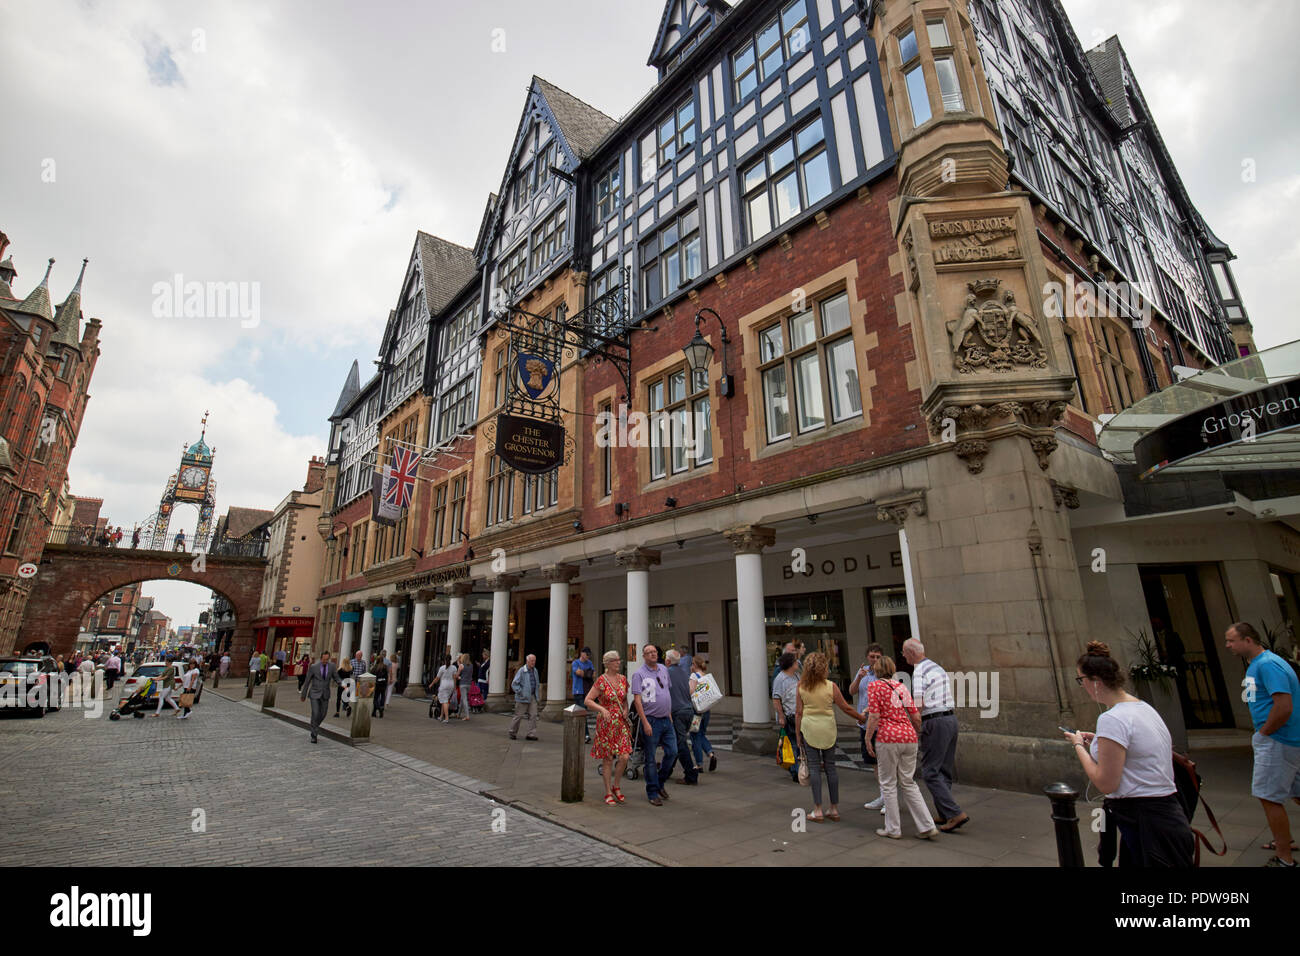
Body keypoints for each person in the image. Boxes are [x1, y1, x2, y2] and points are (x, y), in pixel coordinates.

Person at [1063, 641, 1193, 867]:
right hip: (1165, 814)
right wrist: (1100, 740)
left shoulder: (1112, 718)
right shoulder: (1142, 707)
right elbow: (1136, 750)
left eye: (1080, 679)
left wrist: (1078, 746)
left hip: (1145, 820)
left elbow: (1105, 783)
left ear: (1095, 682)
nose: (1081, 685)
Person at [1224, 622, 1300, 867]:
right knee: (1296, 792)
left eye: (1231, 640)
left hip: (1278, 739)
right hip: (1285, 739)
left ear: (1248, 640)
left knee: (1269, 796)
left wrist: (1265, 732)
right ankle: (1284, 841)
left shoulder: (1267, 665)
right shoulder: (1259, 665)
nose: (1228, 645)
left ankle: (1284, 858)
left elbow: (1284, 706)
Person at [865, 655, 938, 839]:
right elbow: (915, 715)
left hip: (888, 737)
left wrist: (868, 738)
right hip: (908, 736)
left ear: (876, 670)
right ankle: (927, 825)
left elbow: (874, 716)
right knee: (908, 782)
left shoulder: (874, 686)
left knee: (888, 783)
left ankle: (893, 828)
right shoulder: (901, 686)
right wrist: (917, 732)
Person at [903, 637, 969, 831]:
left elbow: (918, 703)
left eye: (904, 652)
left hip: (935, 722)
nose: (903, 656)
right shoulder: (936, 667)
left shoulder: (919, 671)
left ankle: (955, 813)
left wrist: (914, 725)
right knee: (944, 770)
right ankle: (945, 812)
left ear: (911, 653)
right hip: (950, 719)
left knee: (930, 772)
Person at [796, 651, 865, 823]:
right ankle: (834, 808)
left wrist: (798, 735)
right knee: (831, 767)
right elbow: (845, 707)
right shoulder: (830, 686)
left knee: (814, 768)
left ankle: (817, 809)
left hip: (809, 728)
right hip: (828, 728)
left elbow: (798, 712)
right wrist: (861, 717)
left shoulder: (801, 686)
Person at [631, 644, 676, 806]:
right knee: (650, 758)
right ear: (644, 656)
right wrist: (644, 722)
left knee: (672, 752)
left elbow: (666, 692)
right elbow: (637, 700)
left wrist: (669, 715)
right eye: (649, 653)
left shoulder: (664, 669)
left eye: (654, 652)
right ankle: (652, 791)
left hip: (666, 719)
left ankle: (660, 783)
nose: (652, 654)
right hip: (651, 720)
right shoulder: (639, 674)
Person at [585, 650, 632, 805]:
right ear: (608, 663)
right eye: (615, 660)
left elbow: (624, 699)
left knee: (624, 756)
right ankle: (607, 791)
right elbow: (588, 700)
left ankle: (616, 785)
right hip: (606, 723)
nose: (619, 663)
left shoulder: (623, 679)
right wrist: (602, 709)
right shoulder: (601, 681)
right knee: (608, 758)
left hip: (620, 721)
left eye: (619, 660)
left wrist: (625, 709)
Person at [664, 650, 699, 786]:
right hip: (688, 710)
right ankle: (666, 770)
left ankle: (690, 774)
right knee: (677, 741)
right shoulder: (685, 673)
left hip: (677, 712)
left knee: (679, 743)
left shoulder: (667, 673)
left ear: (668, 661)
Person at [850, 644, 884, 769]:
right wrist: (858, 678)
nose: (874, 659)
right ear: (867, 657)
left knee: (883, 757)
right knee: (872, 759)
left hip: (880, 723)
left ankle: (886, 783)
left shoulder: (885, 674)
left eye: (877, 657)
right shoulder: (863, 671)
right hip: (865, 722)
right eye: (872, 656)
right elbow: (851, 691)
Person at [771, 651, 801, 783]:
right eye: (795, 661)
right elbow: (776, 699)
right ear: (790, 664)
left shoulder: (796, 676)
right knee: (793, 743)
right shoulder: (780, 679)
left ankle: (799, 767)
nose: (798, 663)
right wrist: (781, 716)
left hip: (800, 714)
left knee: (799, 743)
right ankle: (795, 770)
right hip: (790, 715)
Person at [300, 652, 339, 743]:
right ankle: (314, 735)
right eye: (324, 659)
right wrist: (303, 695)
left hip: (325, 694)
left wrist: (343, 684)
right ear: (321, 658)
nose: (325, 661)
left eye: (327, 659)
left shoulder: (332, 666)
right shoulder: (314, 667)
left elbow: (336, 678)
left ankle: (314, 726)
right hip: (314, 693)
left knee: (323, 713)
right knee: (315, 712)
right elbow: (307, 681)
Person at [688, 655, 717, 773]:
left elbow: (691, 691)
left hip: (697, 711)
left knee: (694, 735)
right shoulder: (706, 676)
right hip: (707, 710)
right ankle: (710, 754)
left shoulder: (694, 676)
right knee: (701, 734)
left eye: (691, 664)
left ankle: (699, 764)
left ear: (694, 665)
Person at [509, 654, 541, 740]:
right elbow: (514, 684)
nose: (533, 662)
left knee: (533, 715)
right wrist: (521, 692)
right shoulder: (522, 671)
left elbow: (536, 683)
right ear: (527, 661)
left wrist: (537, 695)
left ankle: (531, 734)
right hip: (522, 698)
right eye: (532, 661)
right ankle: (512, 732)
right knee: (518, 716)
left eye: (534, 661)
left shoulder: (535, 671)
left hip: (532, 696)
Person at [572, 647, 595, 742]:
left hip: (587, 691)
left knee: (581, 713)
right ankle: (585, 735)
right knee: (582, 712)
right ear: (582, 653)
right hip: (578, 691)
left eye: (589, 655)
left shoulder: (589, 663)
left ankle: (578, 732)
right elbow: (578, 672)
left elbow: (593, 674)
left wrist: (584, 673)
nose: (588, 657)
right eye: (586, 654)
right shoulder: (576, 663)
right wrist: (587, 673)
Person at [434, 655, 457, 723]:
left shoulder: (442, 668)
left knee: (445, 702)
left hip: (444, 686)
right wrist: (454, 687)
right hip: (451, 685)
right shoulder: (454, 667)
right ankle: (441, 716)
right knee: (445, 700)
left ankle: (446, 718)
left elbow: (437, 678)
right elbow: (454, 678)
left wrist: (432, 684)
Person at [456, 653, 474, 720]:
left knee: (464, 700)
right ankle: (458, 714)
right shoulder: (471, 665)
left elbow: (457, 675)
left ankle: (467, 716)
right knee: (462, 699)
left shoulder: (461, 665)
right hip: (469, 684)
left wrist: (460, 677)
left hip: (462, 684)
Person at [372, 652, 390, 718]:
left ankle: (378, 708)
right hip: (383, 683)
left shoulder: (375, 667)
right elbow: (387, 676)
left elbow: (372, 675)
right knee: (382, 696)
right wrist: (386, 682)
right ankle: (380, 708)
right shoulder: (385, 667)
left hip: (377, 684)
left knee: (375, 698)